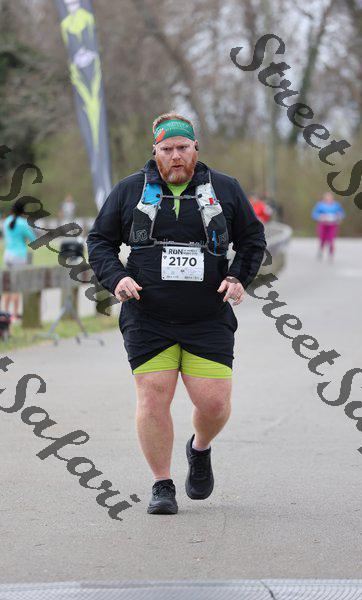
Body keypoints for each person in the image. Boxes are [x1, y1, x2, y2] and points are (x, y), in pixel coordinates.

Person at [87, 113, 266, 515]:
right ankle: (161, 483)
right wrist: (116, 277)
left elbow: (253, 239)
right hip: (147, 315)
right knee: (153, 395)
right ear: (155, 151)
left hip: (208, 316)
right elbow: (99, 241)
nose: (175, 156)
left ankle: (199, 448)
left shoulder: (225, 189)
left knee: (214, 403)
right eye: (167, 149)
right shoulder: (130, 190)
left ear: (195, 148)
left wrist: (238, 277)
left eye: (183, 147)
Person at [2, 200, 36, 320]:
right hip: (19, 256)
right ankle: (15, 314)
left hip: (7, 255)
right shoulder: (22, 223)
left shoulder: (6, 221)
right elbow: (33, 239)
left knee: (7, 286)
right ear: (23, 211)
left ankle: (4, 313)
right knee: (16, 286)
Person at [311, 191, 345, 259]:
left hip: (332, 225)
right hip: (322, 224)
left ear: (332, 198)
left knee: (331, 239)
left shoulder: (336, 205)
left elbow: (342, 214)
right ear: (324, 198)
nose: (328, 198)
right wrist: (320, 216)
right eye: (327, 197)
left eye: (330, 197)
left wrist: (338, 216)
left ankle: (331, 254)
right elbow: (314, 214)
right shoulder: (320, 205)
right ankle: (321, 250)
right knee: (322, 239)